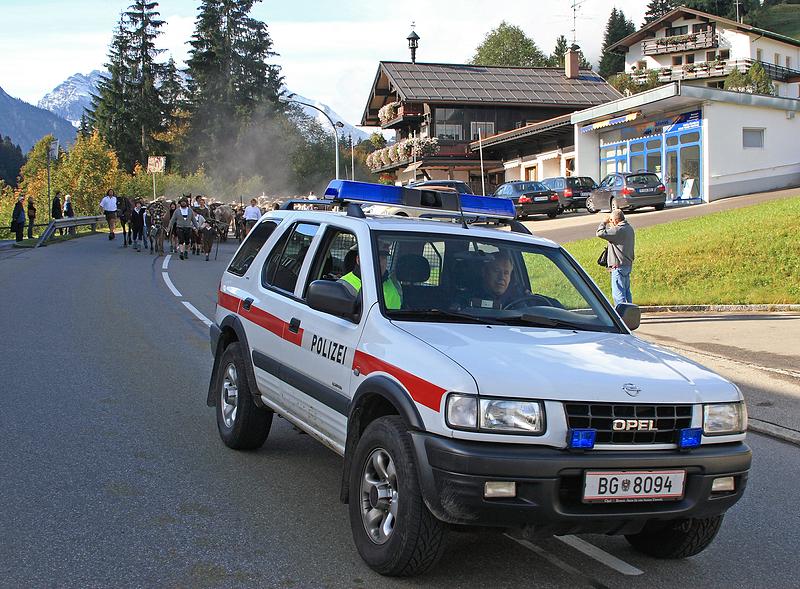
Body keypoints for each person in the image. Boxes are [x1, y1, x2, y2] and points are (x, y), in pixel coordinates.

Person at [338, 244, 402, 310]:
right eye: (374, 257)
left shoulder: (394, 284)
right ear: (358, 260)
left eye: (383, 258)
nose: (380, 263)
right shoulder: (342, 285)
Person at [596, 209, 635, 305]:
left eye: (612, 220)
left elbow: (600, 233)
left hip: (618, 267)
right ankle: (630, 313)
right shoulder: (629, 228)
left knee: (618, 295)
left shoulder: (617, 230)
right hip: (627, 264)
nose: (611, 222)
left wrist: (604, 222)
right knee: (626, 292)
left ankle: (622, 316)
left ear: (616, 220)